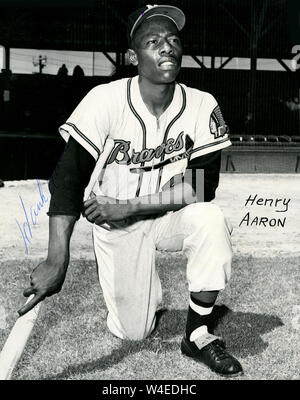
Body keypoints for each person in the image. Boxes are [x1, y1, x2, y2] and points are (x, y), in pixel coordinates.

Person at [19, 4, 243, 377]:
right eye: (152, 41)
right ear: (132, 55)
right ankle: (142, 293)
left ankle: (198, 334)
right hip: (116, 227)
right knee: (133, 332)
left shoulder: (203, 104)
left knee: (211, 221)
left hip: (164, 215)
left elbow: (204, 184)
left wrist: (127, 207)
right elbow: (68, 178)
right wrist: (57, 257)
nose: (166, 47)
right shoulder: (105, 99)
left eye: (172, 39)